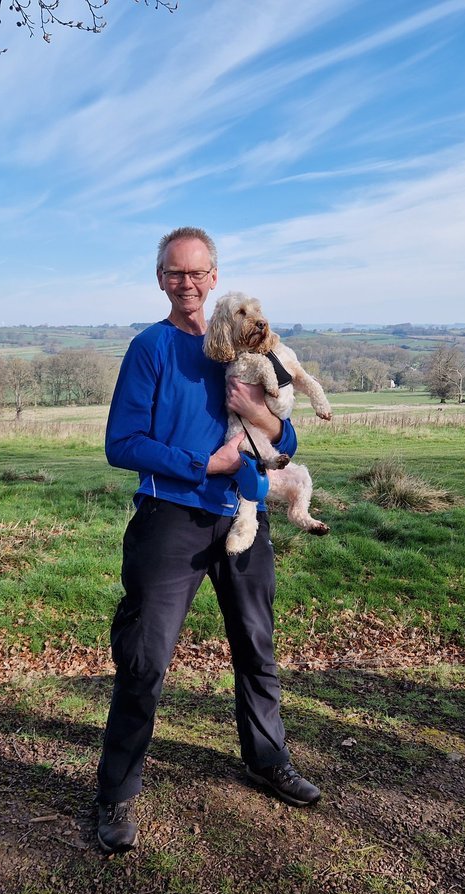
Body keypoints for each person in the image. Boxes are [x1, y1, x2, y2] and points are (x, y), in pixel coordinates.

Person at [95, 226, 321, 853]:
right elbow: (122, 444)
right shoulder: (152, 347)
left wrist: (261, 417)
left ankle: (266, 759)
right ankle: (116, 794)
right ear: (160, 278)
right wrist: (204, 466)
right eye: (174, 273)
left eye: (197, 273)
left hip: (244, 513)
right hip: (171, 517)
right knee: (144, 658)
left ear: (214, 277)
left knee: (256, 643)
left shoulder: (244, 346)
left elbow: (288, 439)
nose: (186, 283)